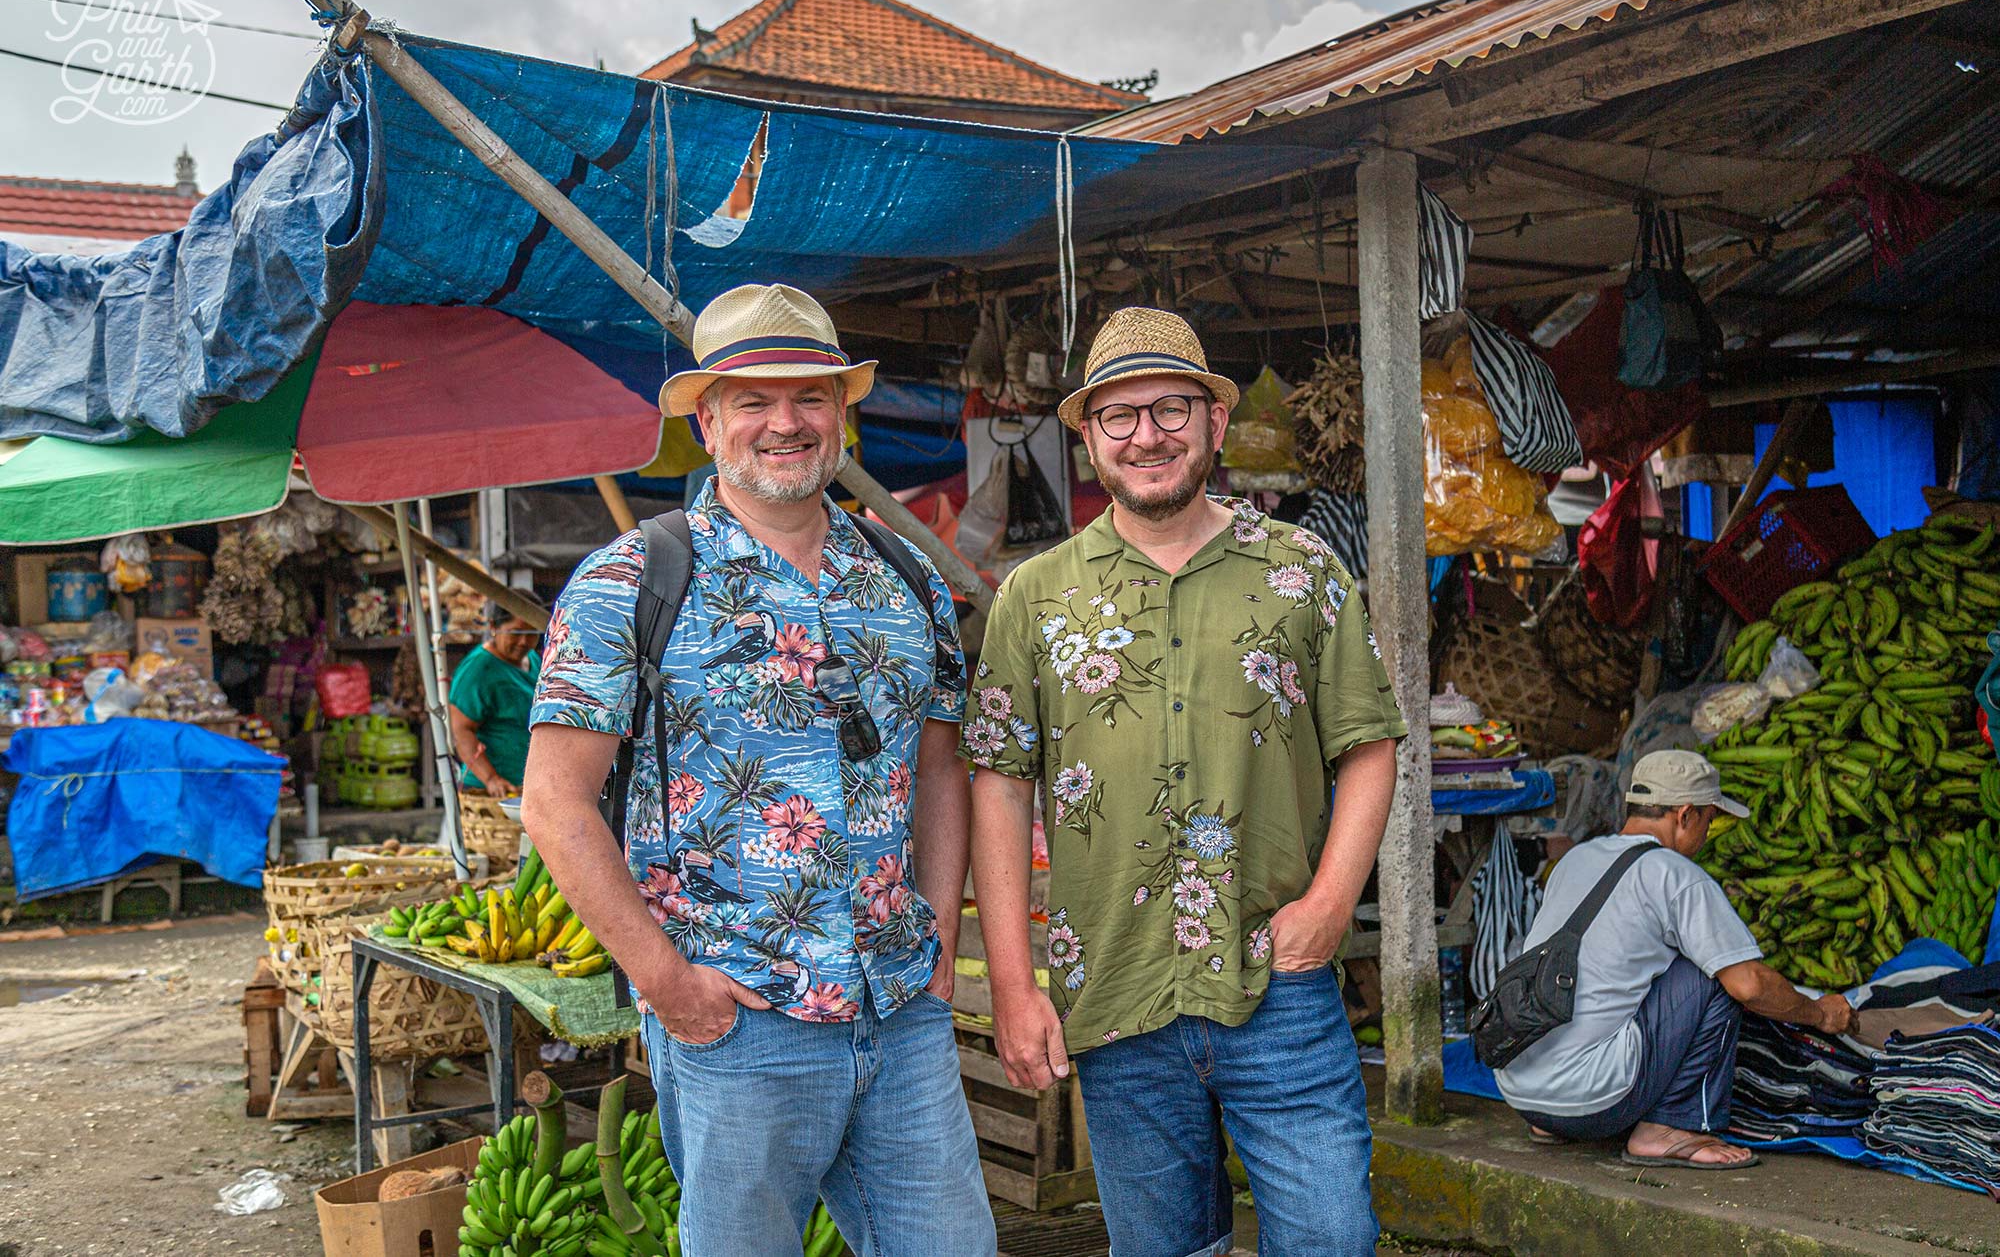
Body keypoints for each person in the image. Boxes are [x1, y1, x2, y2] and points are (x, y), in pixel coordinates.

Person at [520, 283, 996, 1257]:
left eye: (810, 396)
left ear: (841, 413)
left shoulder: (906, 580)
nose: (786, 421)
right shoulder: (629, 584)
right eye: (753, 399)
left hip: (900, 1014)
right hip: (737, 1021)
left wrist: (939, 933)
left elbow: (940, 767)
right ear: (706, 419)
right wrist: (661, 977)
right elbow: (553, 801)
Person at [964, 307, 1407, 1257]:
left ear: (1213, 420)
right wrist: (1010, 978)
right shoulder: (1034, 594)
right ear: (1087, 439)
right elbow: (999, 778)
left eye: (1171, 408)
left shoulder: (1303, 570)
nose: (1147, 436)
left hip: (1275, 979)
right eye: (1119, 417)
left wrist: (1332, 904)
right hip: (1115, 983)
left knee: (1333, 1237)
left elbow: (1370, 744)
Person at [1495, 749, 1857, 1169]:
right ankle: (1669, 1128)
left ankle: (1551, 1122)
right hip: (1591, 1103)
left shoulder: (1575, 859)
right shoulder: (1674, 873)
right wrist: (1818, 1013)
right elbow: (1750, 986)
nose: (1707, 833)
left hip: (1520, 1091)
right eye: (1708, 819)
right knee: (1714, 976)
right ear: (1685, 816)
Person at [447, 597, 544, 798]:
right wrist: (491, 779)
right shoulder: (479, 669)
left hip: (526, 787)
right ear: (493, 627)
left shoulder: (533, 659)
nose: (524, 642)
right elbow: (460, 730)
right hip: (491, 791)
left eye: (532, 633)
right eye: (515, 633)